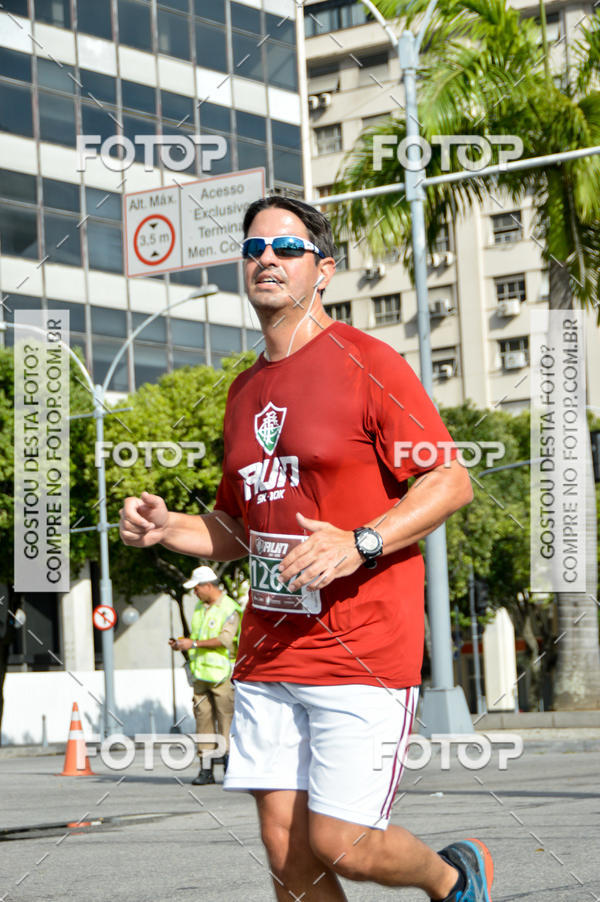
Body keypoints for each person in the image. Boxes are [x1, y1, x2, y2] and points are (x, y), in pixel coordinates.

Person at [120, 196, 493, 902]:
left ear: (322, 270)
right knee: (287, 851)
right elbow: (236, 527)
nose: (267, 259)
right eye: (255, 248)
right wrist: (170, 527)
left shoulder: (367, 361)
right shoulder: (244, 390)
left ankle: (454, 877)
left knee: (343, 844)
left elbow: (449, 479)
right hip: (269, 647)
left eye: (287, 250)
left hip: (361, 647)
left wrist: (364, 541)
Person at [169, 565, 241, 785]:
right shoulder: (200, 608)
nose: (195, 593)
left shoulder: (230, 608)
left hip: (223, 676)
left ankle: (231, 769)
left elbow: (226, 640)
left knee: (226, 723)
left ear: (208, 586)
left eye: (197, 588)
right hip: (201, 675)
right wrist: (183, 644)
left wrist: (194, 643)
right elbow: (198, 637)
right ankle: (206, 770)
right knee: (204, 723)